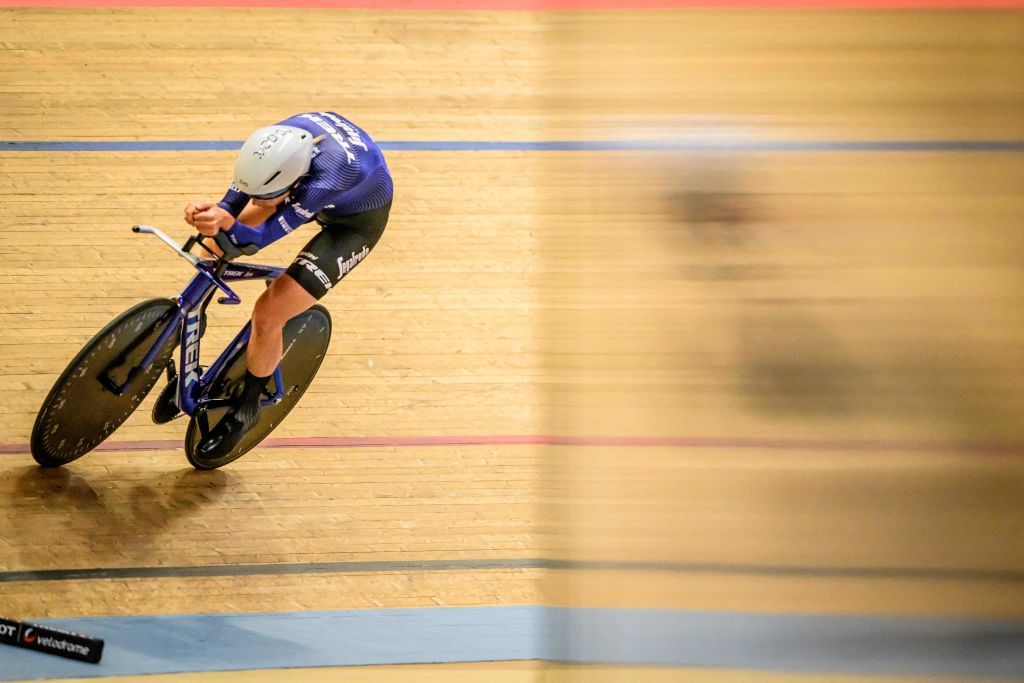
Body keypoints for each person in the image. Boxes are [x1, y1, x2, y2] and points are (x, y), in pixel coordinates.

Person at [173, 111, 393, 459]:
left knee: (268, 314)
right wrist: (211, 213)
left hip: (353, 224)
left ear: (294, 182)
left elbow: (255, 238)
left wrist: (226, 223)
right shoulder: (272, 143)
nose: (257, 201)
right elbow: (234, 202)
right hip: (312, 179)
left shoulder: (324, 181)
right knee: (210, 245)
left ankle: (246, 408)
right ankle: (192, 334)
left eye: (266, 196)